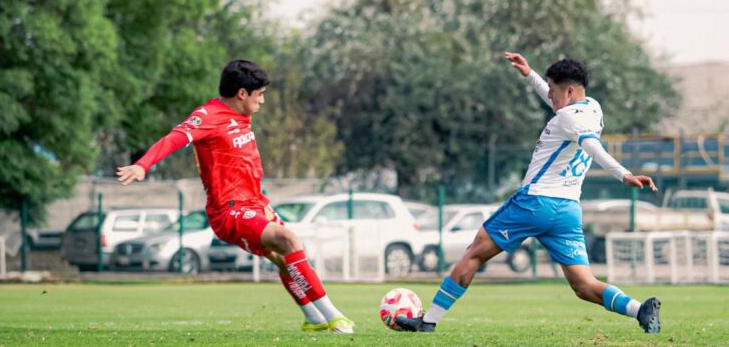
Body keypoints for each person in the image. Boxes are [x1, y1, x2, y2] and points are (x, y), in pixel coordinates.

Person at [396, 52, 661, 334]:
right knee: (584, 285)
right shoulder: (592, 108)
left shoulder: (569, 119)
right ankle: (639, 309)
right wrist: (530, 74)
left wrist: (624, 174)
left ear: (569, 91)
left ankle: (428, 321)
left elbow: (591, 146)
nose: (549, 94)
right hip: (567, 210)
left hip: (534, 203)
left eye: (553, 89)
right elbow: (565, 110)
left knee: (473, 254)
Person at [116, 59, 354, 334]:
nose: (262, 101)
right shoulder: (207, 116)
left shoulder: (241, 113)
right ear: (242, 93)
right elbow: (175, 138)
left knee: (285, 257)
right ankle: (337, 318)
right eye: (259, 94)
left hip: (255, 203)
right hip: (229, 211)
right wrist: (142, 165)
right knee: (288, 240)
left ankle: (314, 320)